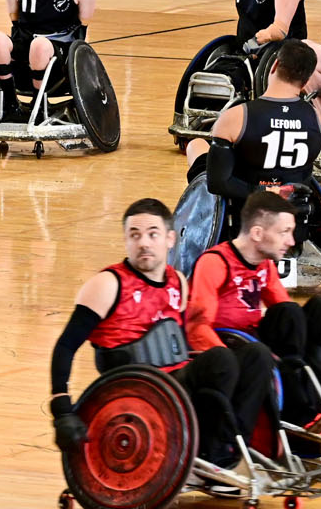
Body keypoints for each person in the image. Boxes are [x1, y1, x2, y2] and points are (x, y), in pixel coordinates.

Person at [48, 198, 273, 469]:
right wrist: (62, 411)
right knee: (220, 361)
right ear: (126, 241)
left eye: (152, 234)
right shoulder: (107, 284)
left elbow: (183, 341)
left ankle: (231, 448)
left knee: (256, 356)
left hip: (177, 381)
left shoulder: (178, 281)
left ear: (170, 239)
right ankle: (210, 456)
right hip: (138, 386)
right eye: (135, 235)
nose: (144, 242)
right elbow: (65, 347)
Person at [186, 190, 321, 426]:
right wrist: (228, 362)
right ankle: (302, 408)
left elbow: (286, 311)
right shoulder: (214, 263)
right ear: (257, 233)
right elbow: (196, 328)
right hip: (232, 347)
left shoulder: (264, 264)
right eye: (284, 232)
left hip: (256, 339)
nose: (291, 241)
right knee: (289, 319)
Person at [184, 39, 321, 205]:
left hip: (244, 207)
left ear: (274, 65)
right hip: (291, 208)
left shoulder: (236, 116)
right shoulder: (316, 118)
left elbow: (217, 183)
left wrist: (264, 191)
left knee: (196, 145)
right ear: (306, 82)